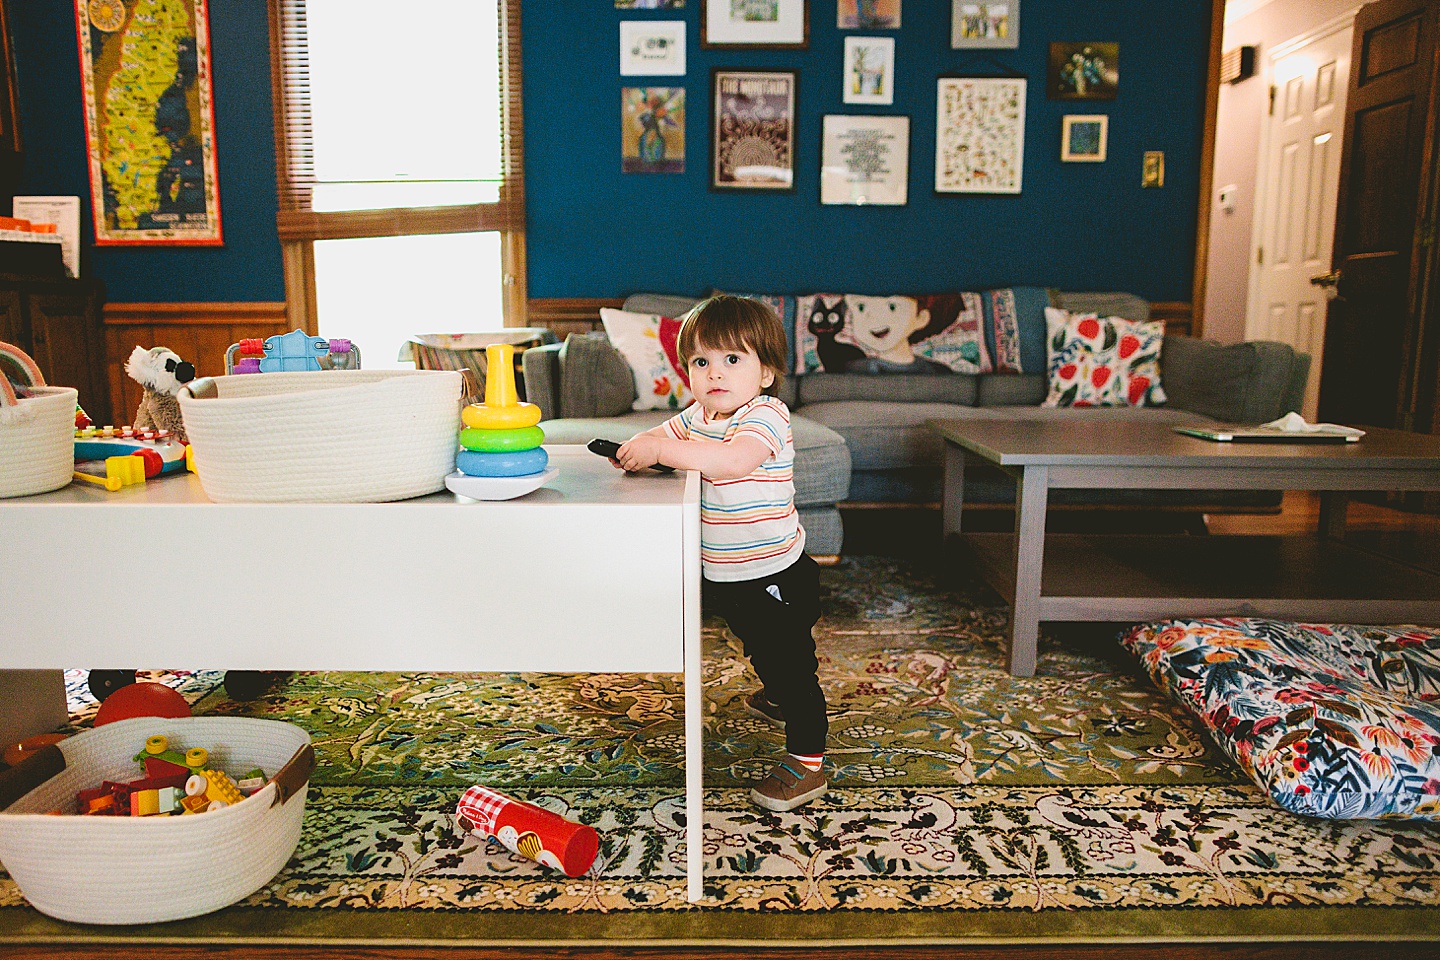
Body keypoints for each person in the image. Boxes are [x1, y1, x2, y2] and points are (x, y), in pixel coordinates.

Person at [610, 295, 829, 813]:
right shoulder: (700, 414)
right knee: (757, 644)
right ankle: (775, 689)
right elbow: (663, 432)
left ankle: (808, 758)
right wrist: (644, 441)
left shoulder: (766, 416)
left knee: (790, 664)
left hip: (775, 573)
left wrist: (663, 452)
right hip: (728, 574)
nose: (715, 373)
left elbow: (732, 462)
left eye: (734, 360)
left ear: (767, 372)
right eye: (701, 362)